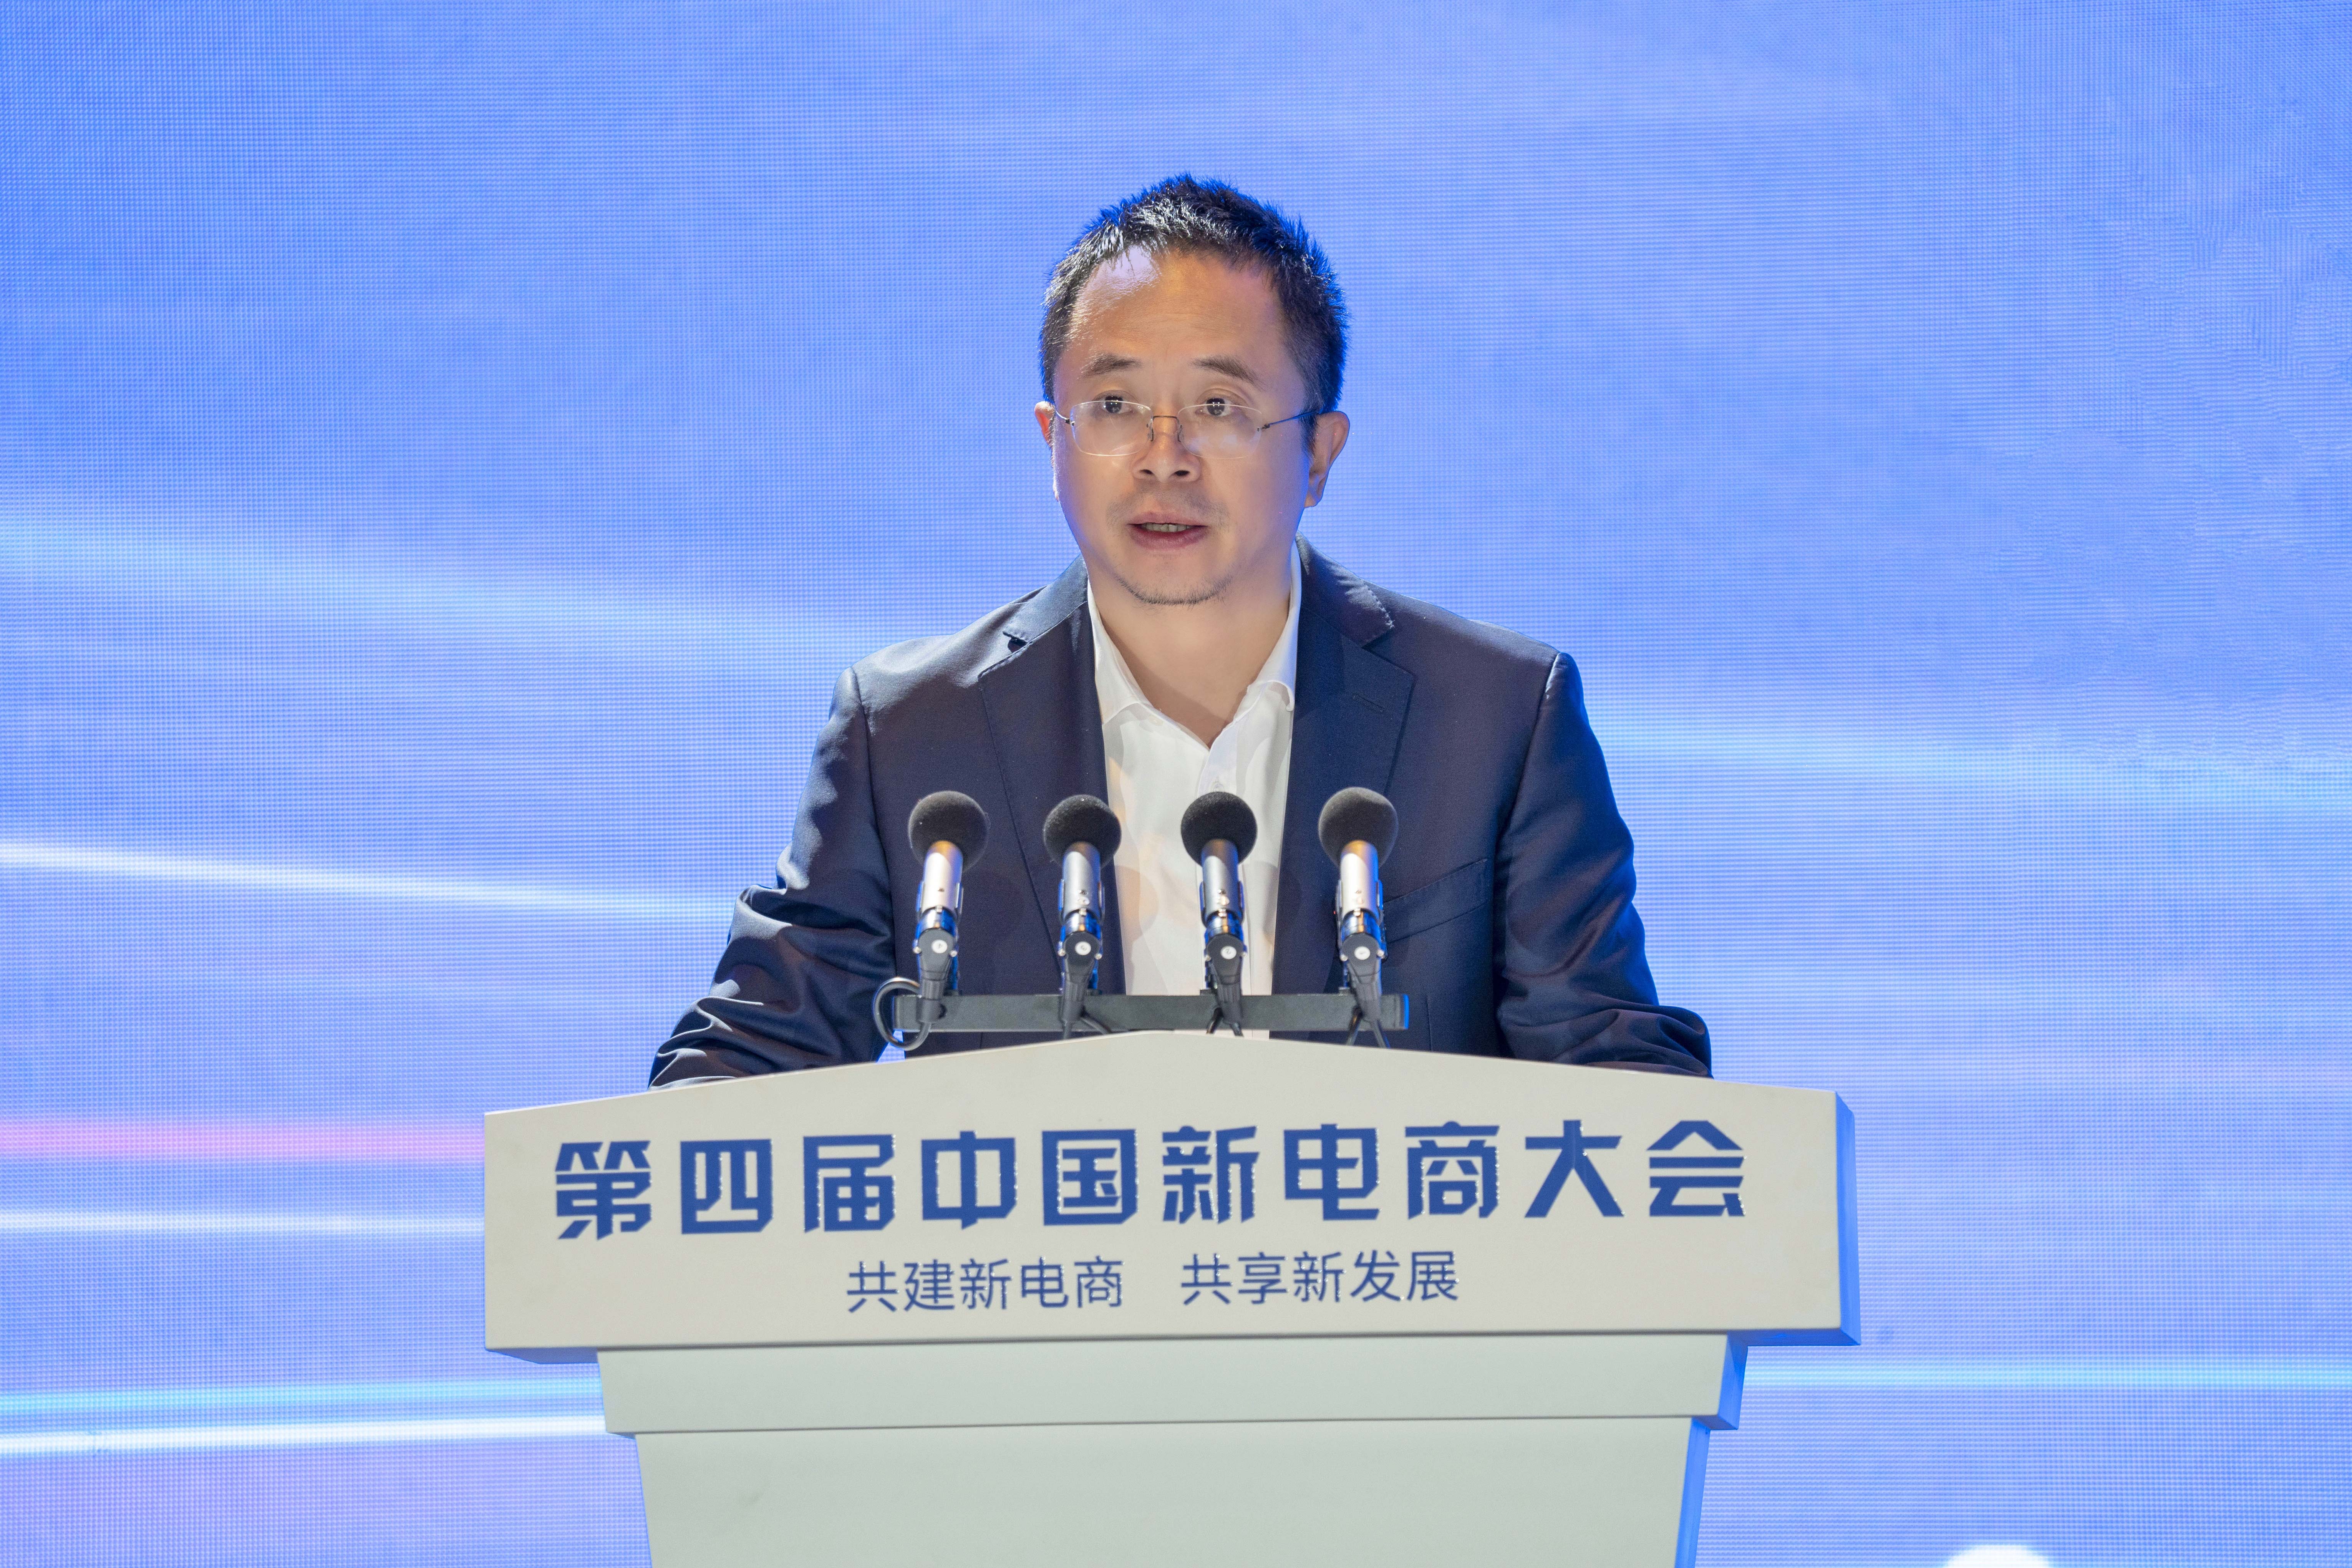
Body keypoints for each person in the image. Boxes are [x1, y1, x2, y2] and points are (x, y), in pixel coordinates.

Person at [651, 176, 1708, 1086]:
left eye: (1218, 407)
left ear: (1321, 453)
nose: (1164, 456)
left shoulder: (1494, 719)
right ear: (1051, 439)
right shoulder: (911, 732)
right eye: (1114, 407)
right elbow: (744, 1067)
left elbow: (1616, 1075)